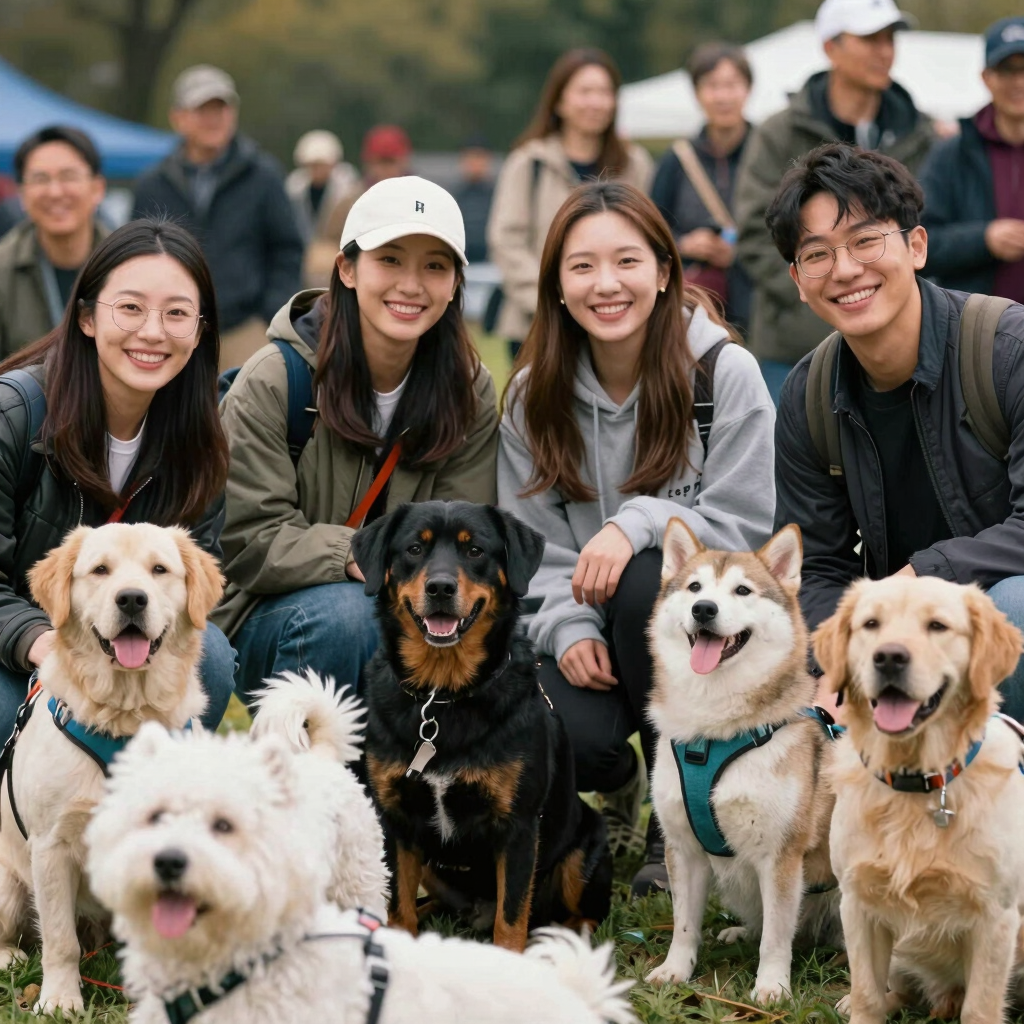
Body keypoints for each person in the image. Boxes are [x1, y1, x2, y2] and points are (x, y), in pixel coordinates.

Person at [498, 180, 775, 895]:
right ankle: (623, 779)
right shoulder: (533, 397)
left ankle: (674, 808)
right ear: (557, 285)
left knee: (652, 571)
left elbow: (744, 531)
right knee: (561, 742)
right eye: (582, 266)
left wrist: (637, 520)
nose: (606, 283)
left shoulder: (723, 374)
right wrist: (565, 628)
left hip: (705, 639)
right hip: (592, 635)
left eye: (627, 261)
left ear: (662, 271)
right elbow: (534, 551)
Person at [215, 175, 499, 704]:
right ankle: (317, 775)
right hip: (277, 617)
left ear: (457, 283)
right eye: (389, 259)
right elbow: (248, 540)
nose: (412, 285)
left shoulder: (470, 389)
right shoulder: (275, 378)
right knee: (350, 616)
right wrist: (363, 554)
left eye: (435, 266)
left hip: (417, 607)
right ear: (346, 269)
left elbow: (468, 527)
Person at [768, 142, 1024, 723]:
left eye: (865, 240)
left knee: (1013, 606)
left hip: (992, 615)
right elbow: (819, 565)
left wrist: (917, 579)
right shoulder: (809, 394)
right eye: (817, 254)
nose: (846, 269)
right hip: (904, 638)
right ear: (798, 281)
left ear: (916, 246)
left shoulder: (1007, 349)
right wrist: (836, 662)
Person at [0, 219, 235, 736]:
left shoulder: (202, 440)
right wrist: (42, 644)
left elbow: (196, 586)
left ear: (199, 332)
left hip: (126, 650)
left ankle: (143, 804)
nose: (152, 332)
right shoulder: (12, 412)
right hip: (19, 649)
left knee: (211, 658)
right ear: (86, 317)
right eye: (130, 308)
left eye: (176, 314)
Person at [733, 0, 934, 405]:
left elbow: (928, 223)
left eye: (890, 38)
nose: (884, 50)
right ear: (830, 47)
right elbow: (756, 231)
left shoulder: (920, 130)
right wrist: (823, 290)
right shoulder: (779, 132)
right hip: (794, 346)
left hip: (901, 344)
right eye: (869, 38)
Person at [131, 65, 303, 373]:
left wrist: (270, 314)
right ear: (178, 118)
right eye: (202, 110)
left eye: (220, 108)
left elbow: (287, 248)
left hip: (244, 330)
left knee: (246, 418)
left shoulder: (264, 176)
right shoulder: (152, 184)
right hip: (170, 330)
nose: (214, 118)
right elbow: (135, 257)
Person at [487, 49, 654, 356]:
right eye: (585, 92)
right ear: (560, 101)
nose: (596, 102)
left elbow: (651, 237)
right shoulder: (529, 162)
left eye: (605, 92)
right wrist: (554, 298)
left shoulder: (635, 164)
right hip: (536, 324)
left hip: (616, 319)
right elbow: (506, 239)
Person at [651, 43, 754, 335]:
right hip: (694, 305)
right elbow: (650, 229)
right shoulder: (677, 159)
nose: (722, 96)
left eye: (732, 84)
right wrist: (684, 245)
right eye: (711, 86)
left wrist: (738, 253)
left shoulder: (768, 151)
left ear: (747, 89)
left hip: (761, 305)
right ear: (697, 94)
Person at [920, 16, 1024, 303]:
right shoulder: (951, 154)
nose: (1019, 81)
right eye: (1007, 70)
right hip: (975, 335)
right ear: (986, 78)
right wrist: (983, 240)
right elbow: (918, 244)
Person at [0, 127, 107, 358]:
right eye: (40, 179)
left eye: (68, 176)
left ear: (97, 188)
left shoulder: (131, 263)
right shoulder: (3, 269)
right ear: (21, 194)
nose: (55, 192)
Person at [321, 125, 414, 254]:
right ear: (368, 163)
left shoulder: (420, 198)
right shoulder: (350, 202)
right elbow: (328, 245)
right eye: (379, 161)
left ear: (404, 161)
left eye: (390, 161)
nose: (385, 169)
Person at [286, 129, 359, 289]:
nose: (317, 170)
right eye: (313, 165)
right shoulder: (294, 193)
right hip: (303, 260)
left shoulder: (347, 194)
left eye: (321, 165)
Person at [452, 134, 496, 265]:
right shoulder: (454, 197)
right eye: (470, 157)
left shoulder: (498, 197)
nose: (475, 163)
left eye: (479, 157)